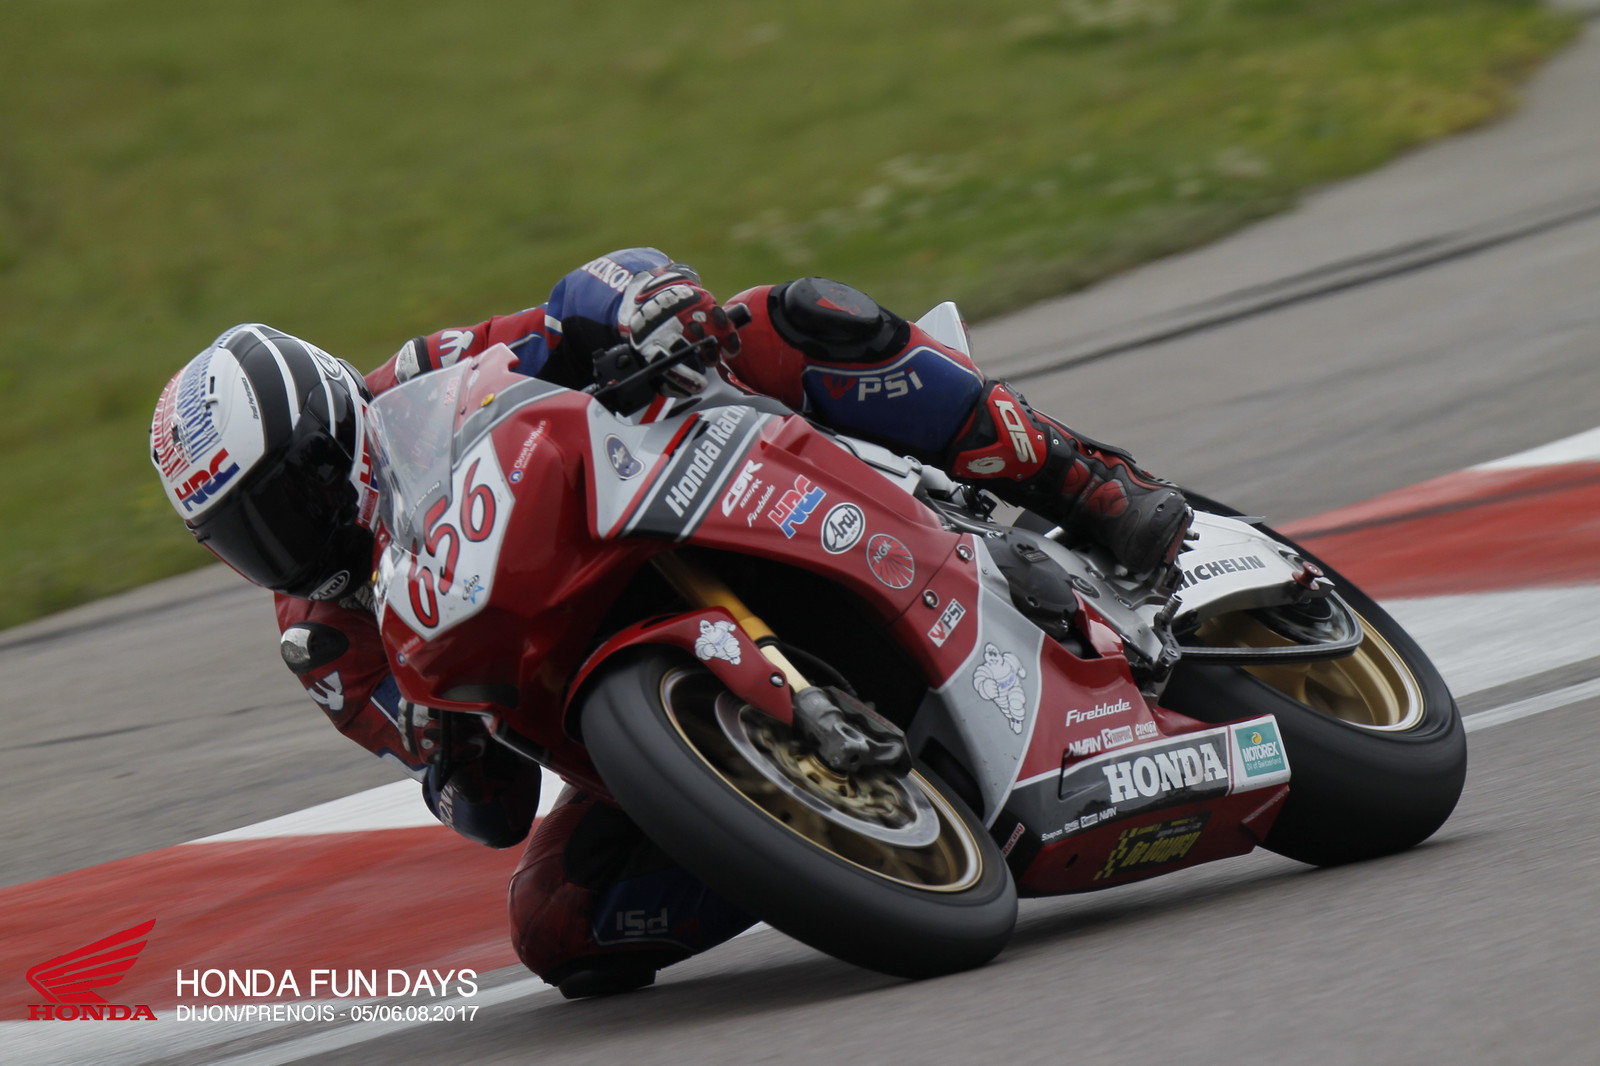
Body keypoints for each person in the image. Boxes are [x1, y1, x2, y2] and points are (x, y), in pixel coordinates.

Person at [150, 248, 1191, 998]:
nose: (285, 541)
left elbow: (572, 309)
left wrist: (642, 305)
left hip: (680, 499)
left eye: (288, 498)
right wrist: (452, 750)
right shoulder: (326, 642)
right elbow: (485, 809)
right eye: (245, 534)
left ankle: (1088, 482)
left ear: (335, 423)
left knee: (786, 317)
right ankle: (810, 843)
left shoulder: (421, 377)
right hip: (603, 688)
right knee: (557, 923)